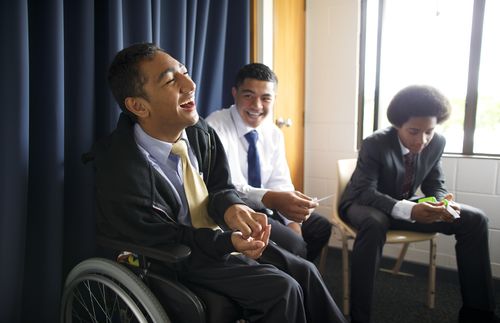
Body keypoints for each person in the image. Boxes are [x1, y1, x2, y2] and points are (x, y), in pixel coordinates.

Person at [89, 42, 346, 323]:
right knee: (282, 289)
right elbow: (164, 238)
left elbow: (220, 187)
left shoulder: (200, 133)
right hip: (176, 255)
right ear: (138, 105)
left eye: (184, 72)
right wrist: (227, 243)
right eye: (171, 80)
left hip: (216, 238)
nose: (190, 85)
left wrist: (231, 208)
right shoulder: (120, 170)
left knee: (305, 271)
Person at [339, 85, 498, 323]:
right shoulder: (375, 143)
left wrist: (442, 202)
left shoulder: (437, 143)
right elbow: (365, 191)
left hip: (403, 203)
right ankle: (360, 318)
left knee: (475, 219)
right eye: (414, 131)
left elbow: (435, 183)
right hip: (363, 203)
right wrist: (411, 209)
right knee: (374, 223)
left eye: (429, 132)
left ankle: (479, 314)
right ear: (397, 125)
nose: (422, 140)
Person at [206, 63, 332, 262]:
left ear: (274, 99)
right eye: (248, 96)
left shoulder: (273, 133)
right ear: (234, 93)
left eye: (266, 98)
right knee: (294, 246)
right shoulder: (214, 128)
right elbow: (228, 188)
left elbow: (280, 182)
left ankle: (295, 273)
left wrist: (293, 223)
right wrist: (273, 199)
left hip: (268, 206)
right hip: (235, 210)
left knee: (320, 228)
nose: (257, 106)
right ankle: (291, 277)